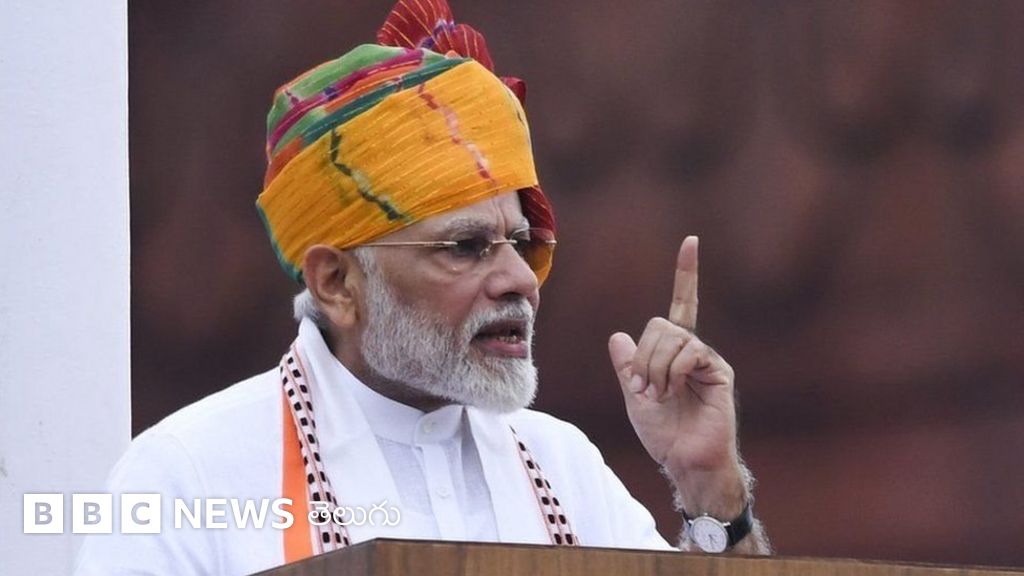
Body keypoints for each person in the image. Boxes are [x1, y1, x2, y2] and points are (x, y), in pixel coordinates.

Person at [76, 0, 770, 573]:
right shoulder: (187, 476)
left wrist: (711, 487)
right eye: (466, 247)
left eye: (520, 241)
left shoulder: (561, 467)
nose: (519, 279)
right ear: (337, 282)